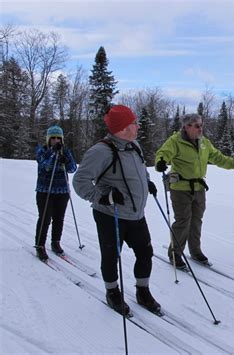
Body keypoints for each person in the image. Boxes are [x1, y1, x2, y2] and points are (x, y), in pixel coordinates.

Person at [73, 105, 160, 316]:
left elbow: (139, 171)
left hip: (137, 214)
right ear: (122, 128)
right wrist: (103, 197)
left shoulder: (134, 145)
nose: (138, 126)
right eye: (133, 123)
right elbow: (80, 182)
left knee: (145, 252)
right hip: (111, 215)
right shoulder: (100, 151)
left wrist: (147, 182)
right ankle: (112, 292)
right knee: (112, 256)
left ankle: (142, 291)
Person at [155, 113, 234, 269]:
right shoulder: (175, 141)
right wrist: (160, 162)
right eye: (197, 125)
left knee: (196, 221)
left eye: (201, 125)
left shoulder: (204, 142)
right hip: (180, 188)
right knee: (183, 221)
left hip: (199, 188)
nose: (200, 128)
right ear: (187, 127)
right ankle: (175, 254)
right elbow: (163, 153)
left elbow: (218, 157)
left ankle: (195, 251)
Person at [35, 125, 77, 261]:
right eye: (53, 138)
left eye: (58, 138)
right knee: (45, 218)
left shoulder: (65, 151)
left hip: (62, 190)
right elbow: (45, 166)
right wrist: (53, 153)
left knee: (59, 218)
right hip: (45, 191)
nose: (56, 141)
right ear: (48, 139)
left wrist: (66, 160)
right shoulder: (42, 150)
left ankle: (55, 242)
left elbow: (72, 168)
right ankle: (40, 245)